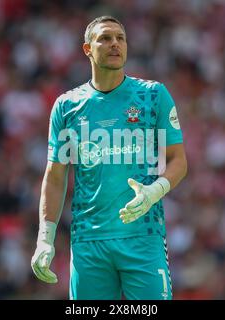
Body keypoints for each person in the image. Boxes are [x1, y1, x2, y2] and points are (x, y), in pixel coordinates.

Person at [31, 15, 187, 300]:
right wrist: (45, 239)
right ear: (87, 49)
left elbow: (178, 160)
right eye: (105, 38)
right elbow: (55, 176)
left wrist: (155, 191)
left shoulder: (153, 96)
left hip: (143, 236)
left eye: (120, 38)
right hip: (89, 242)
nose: (115, 43)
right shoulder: (67, 107)